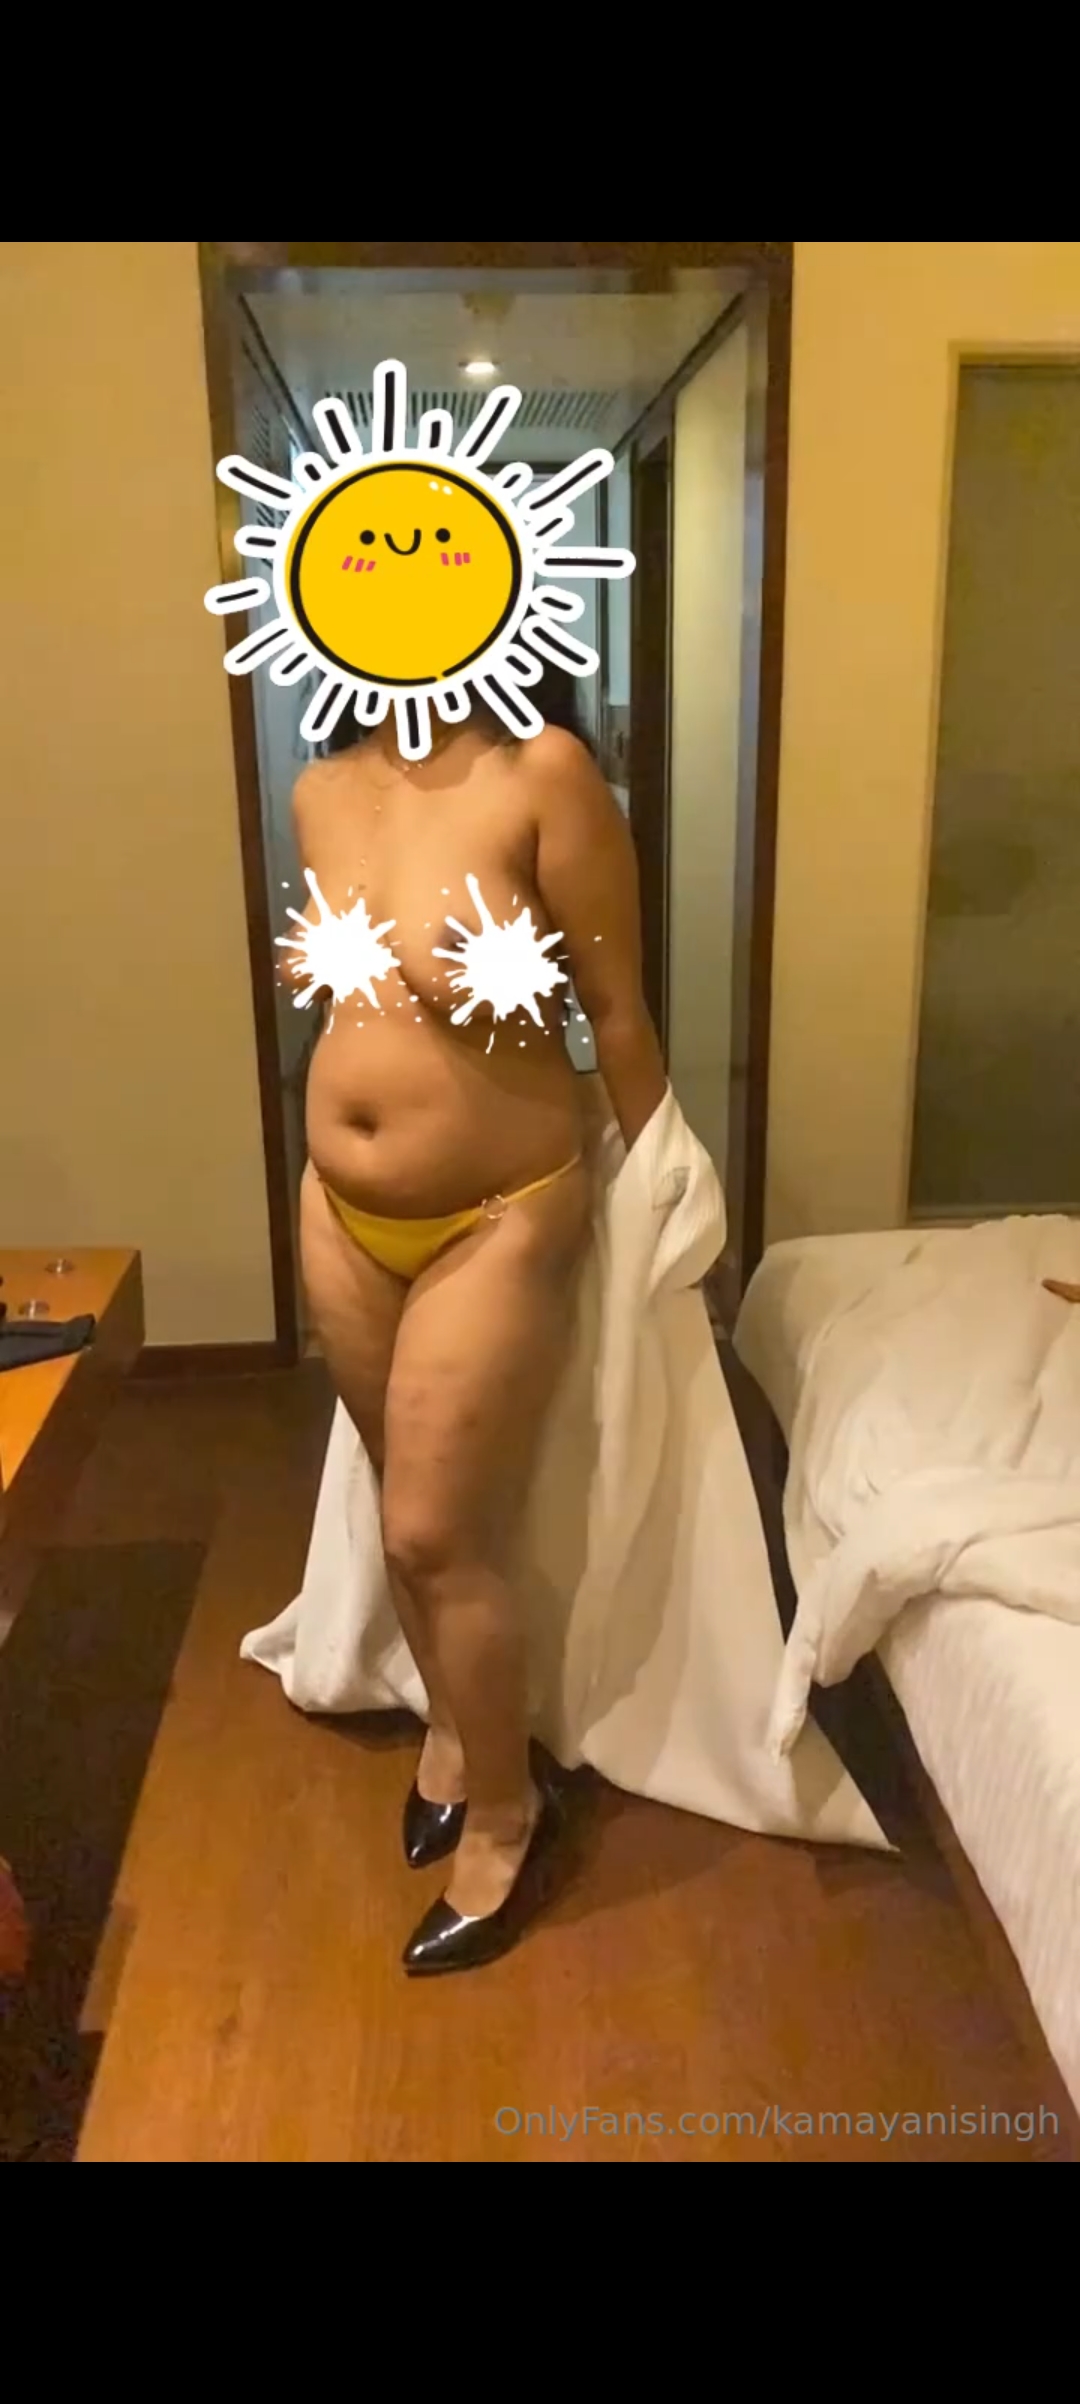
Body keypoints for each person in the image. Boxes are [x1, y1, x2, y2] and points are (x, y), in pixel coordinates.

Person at [284, 662, 668, 1975]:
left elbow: (614, 1008)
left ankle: (508, 1815)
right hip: (340, 1205)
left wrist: (672, 1187)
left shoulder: (542, 772)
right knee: (399, 1497)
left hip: (499, 1208)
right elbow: (347, 996)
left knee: (435, 1530)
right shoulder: (320, 790)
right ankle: (453, 1734)